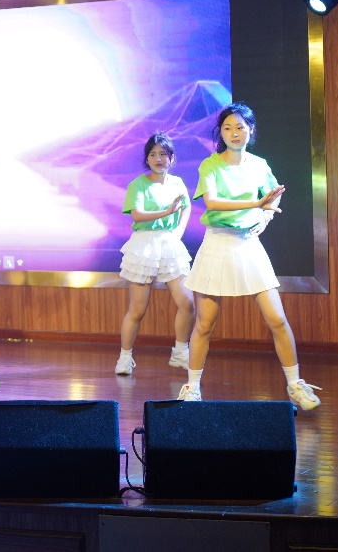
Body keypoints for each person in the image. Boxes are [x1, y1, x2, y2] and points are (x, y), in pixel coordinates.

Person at [178, 103, 321, 411]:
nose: (234, 133)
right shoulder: (210, 165)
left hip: (248, 244)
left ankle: (295, 385)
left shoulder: (258, 164)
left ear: (251, 130)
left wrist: (264, 217)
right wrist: (256, 205)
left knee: (277, 318)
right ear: (220, 132)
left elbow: (274, 195)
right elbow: (212, 203)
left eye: (240, 127)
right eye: (228, 128)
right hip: (217, 243)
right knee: (205, 323)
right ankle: (191, 387)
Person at [114, 133, 195, 376]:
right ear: (147, 158)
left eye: (163, 154)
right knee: (138, 309)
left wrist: (179, 230)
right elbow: (136, 215)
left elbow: (186, 207)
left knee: (187, 302)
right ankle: (125, 357)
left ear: (172, 158)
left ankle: (180, 352)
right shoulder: (138, 184)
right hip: (144, 244)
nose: (158, 159)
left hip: (169, 243)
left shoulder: (178, 183)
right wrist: (166, 212)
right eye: (152, 154)